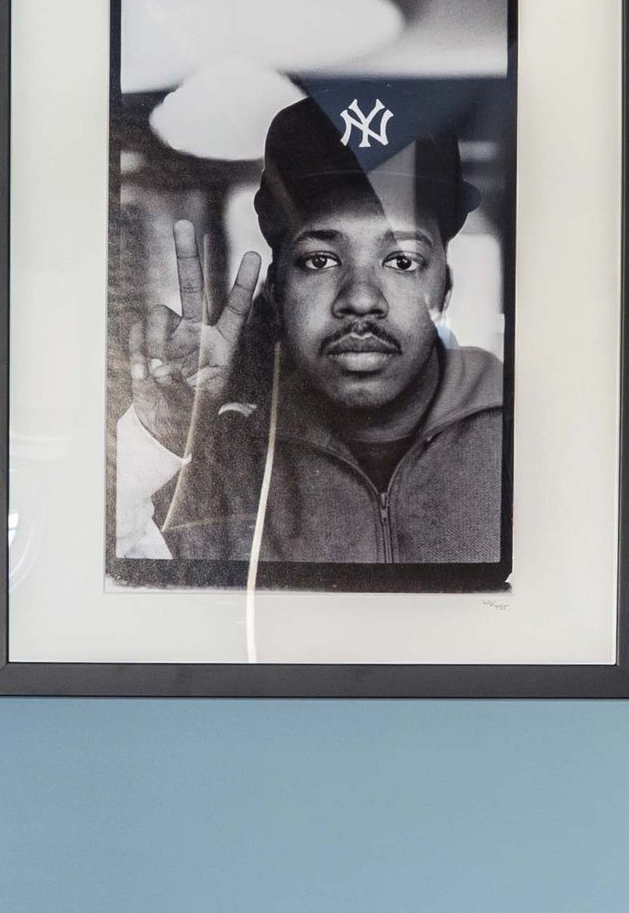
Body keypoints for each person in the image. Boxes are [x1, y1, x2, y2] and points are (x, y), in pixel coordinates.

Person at [125, 97, 505, 575]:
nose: (362, 299)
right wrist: (153, 443)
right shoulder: (225, 462)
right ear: (277, 292)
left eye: (402, 260)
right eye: (320, 260)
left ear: (445, 286)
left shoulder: (526, 434)